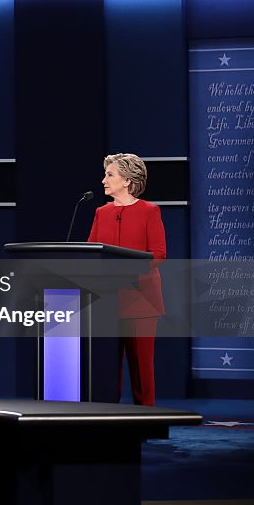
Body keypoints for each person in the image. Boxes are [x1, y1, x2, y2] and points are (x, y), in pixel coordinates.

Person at [87, 153, 166, 406]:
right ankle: (110, 420)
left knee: (142, 367)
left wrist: (127, 271)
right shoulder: (101, 212)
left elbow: (159, 254)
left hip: (141, 299)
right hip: (107, 300)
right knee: (108, 367)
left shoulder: (149, 211)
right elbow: (90, 252)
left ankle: (146, 422)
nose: (103, 180)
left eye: (109, 175)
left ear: (128, 181)